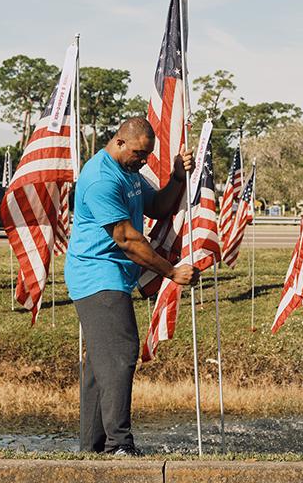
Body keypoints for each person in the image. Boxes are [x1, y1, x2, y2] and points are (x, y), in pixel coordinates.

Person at [65, 117, 199, 456]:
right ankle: (119, 445)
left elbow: (158, 206)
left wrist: (178, 177)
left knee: (101, 364)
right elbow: (126, 239)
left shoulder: (128, 171)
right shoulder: (100, 178)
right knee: (123, 353)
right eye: (139, 153)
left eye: (147, 155)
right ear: (119, 142)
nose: (143, 161)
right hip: (96, 275)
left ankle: (92, 449)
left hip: (114, 275)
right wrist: (172, 272)